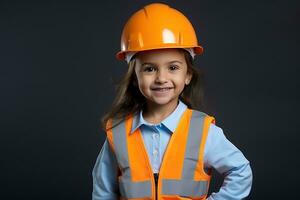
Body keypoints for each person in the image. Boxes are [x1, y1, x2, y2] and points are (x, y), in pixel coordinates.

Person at [92, 3, 252, 200]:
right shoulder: (118, 133)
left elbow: (240, 172)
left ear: (188, 75)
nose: (161, 78)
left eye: (173, 67)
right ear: (135, 77)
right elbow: (103, 190)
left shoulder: (202, 131)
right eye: (149, 69)